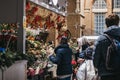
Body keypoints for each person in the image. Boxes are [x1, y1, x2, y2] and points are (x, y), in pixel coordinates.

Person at [93, 14, 120, 80]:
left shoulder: (101, 39)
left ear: (106, 24)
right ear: (118, 23)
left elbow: (95, 61)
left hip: (105, 74)